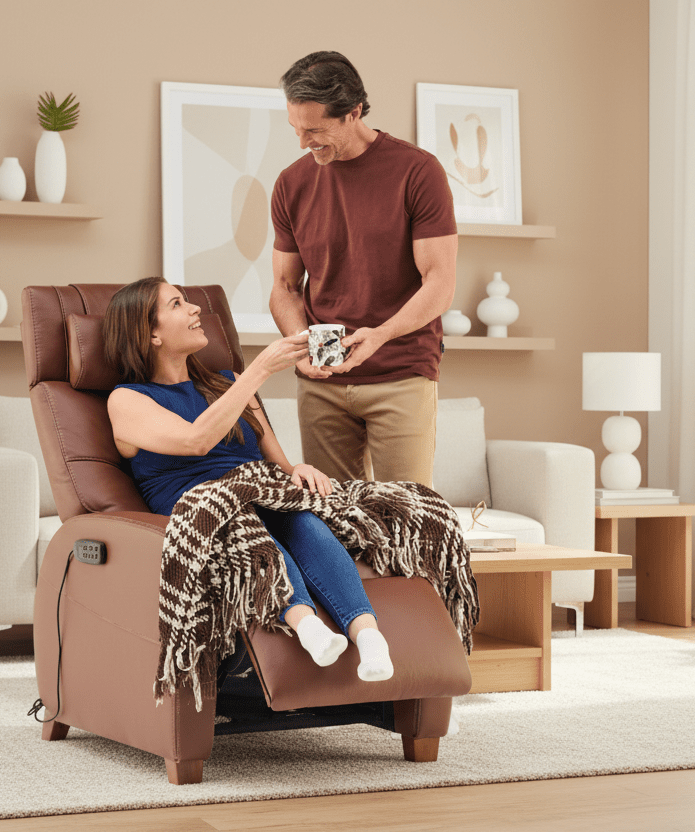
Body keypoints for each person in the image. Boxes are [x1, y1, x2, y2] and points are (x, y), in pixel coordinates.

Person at [104, 277, 394, 682]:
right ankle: (307, 626)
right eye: (177, 304)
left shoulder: (228, 381)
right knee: (243, 524)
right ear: (151, 334)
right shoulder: (127, 400)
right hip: (205, 507)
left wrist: (298, 470)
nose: (195, 308)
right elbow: (196, 440)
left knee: (302, 519)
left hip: (261, 490)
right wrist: (258, 370)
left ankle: (369, 637)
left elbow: (277, 464)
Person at [270, 50, 458, 487]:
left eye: (315, 130)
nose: (303, 142)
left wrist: (381, 335)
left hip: (401, 372)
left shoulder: (417, 171)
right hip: (322, 385)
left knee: (405, 514)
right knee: (331, 517)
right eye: (296, 129)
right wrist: (302, 345)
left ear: (353, 112)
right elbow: (285, 286)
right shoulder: (291, 184)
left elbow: (439, 283)